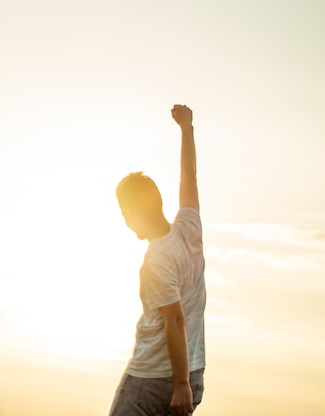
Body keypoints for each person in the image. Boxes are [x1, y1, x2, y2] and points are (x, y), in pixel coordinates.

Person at [109, 104, 206, 416]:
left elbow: (175, 320)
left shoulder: (156, 261)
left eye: (125, 215)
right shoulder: (190, 228)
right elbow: (188, 174)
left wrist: (179, 386)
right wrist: (186, 128)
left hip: (154, 380)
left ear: (135, 214)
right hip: (193, 372)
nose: (125, 222)